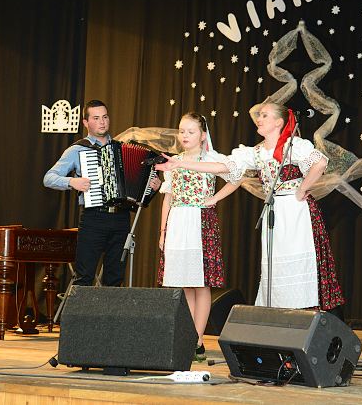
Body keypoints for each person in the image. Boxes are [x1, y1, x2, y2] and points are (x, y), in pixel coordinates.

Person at [156, 102, 345, 315]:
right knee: (275, 267)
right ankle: (279, 317)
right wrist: (181, 164)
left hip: (296, 212)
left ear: (278, 122)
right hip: (274, 210)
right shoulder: (255, 153)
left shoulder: (294, 146)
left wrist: (302, 189)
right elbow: (223, 167)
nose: (259, 119)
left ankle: (306, 316)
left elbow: (320, 163)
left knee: (300, 263)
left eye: (264, 115)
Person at [44, 99, 160, 287]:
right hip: (94, 218)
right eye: (96, 118)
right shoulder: (78, 149)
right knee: (84, 277)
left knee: (115, 279)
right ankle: (80, 308)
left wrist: (152, 186)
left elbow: (139, 190)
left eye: (105, 117)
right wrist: (72, 181)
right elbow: (49, 178)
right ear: (85, 122)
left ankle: (111, 308)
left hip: (121, 218)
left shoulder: (121, 147)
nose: (102, 122)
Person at [157, 112, 238, 361]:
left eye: (191, 131)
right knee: (183, 283)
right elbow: (168, 197)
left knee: (201, 283)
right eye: (182, 131)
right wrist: (163, 231)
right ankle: (187, 336)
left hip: (199, 222)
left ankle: (198, 340)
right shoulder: (175, 161)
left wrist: (214, 198)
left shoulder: (212, 158)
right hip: (177, 223)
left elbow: (236, 176)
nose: (185, 136)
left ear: (203, 135)